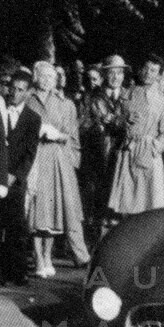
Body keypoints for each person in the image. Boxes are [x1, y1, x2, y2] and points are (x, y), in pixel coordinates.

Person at [26, 61, 90, 276]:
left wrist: (58, 136)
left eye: (51, 77)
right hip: (34, 158)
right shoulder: (28, 100)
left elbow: (72, 136)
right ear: (35, 77)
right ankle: (38, 258)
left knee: (54, 210)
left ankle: (47, 255)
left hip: (57, 160)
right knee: (36, 210)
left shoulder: (66, 104)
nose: (47, 80)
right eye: (43, 76)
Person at [108, 53, 164, 215]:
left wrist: (153, 148)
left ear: (158, 75)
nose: (148, 73)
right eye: (146, 69)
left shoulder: (163, 101)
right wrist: (123, 120)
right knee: (127, 203)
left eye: (153, 71)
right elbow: (113, 122)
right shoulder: (126, 95)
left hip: (149, 155)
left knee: (150, 205)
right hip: (128, 153)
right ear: (139, 70)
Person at [0, 71, 41, 285]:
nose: (14, 93)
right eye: (12, 88)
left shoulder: (33, 118)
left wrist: (15, 175)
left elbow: (30, 152)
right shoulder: (1, 110)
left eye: (20, 90)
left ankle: (17, 270)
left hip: (15, 179)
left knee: (16, 225)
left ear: (28, 92)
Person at [87, 54, 130, 232]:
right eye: (111, 73)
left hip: (124, 153)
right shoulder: (94, 96)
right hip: (101, 154)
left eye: (119, 73)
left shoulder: (129, 95)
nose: (116, 77)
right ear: (104, 74)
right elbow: (101, 118)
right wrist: (123, 121)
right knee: (101, 198)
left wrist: (116, 121)